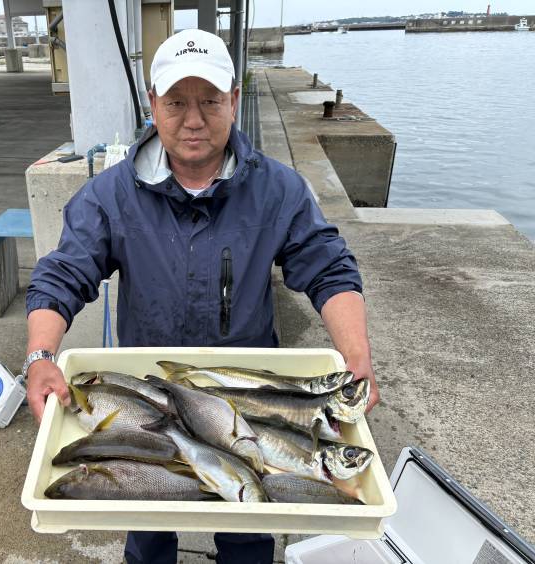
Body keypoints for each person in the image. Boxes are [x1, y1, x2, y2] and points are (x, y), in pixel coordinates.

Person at [23, 29, 379, 564]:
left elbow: (328, 268)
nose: (193, 119)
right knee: (147, 511)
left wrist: (356, 356)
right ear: (153, 105)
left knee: (250, 515)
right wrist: (39, 356)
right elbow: (62, 274)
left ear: (233, 100)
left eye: (210, 101)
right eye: (176, 102)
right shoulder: (110, 195)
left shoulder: (278, 189)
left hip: (250, 393)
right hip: (150, 389)